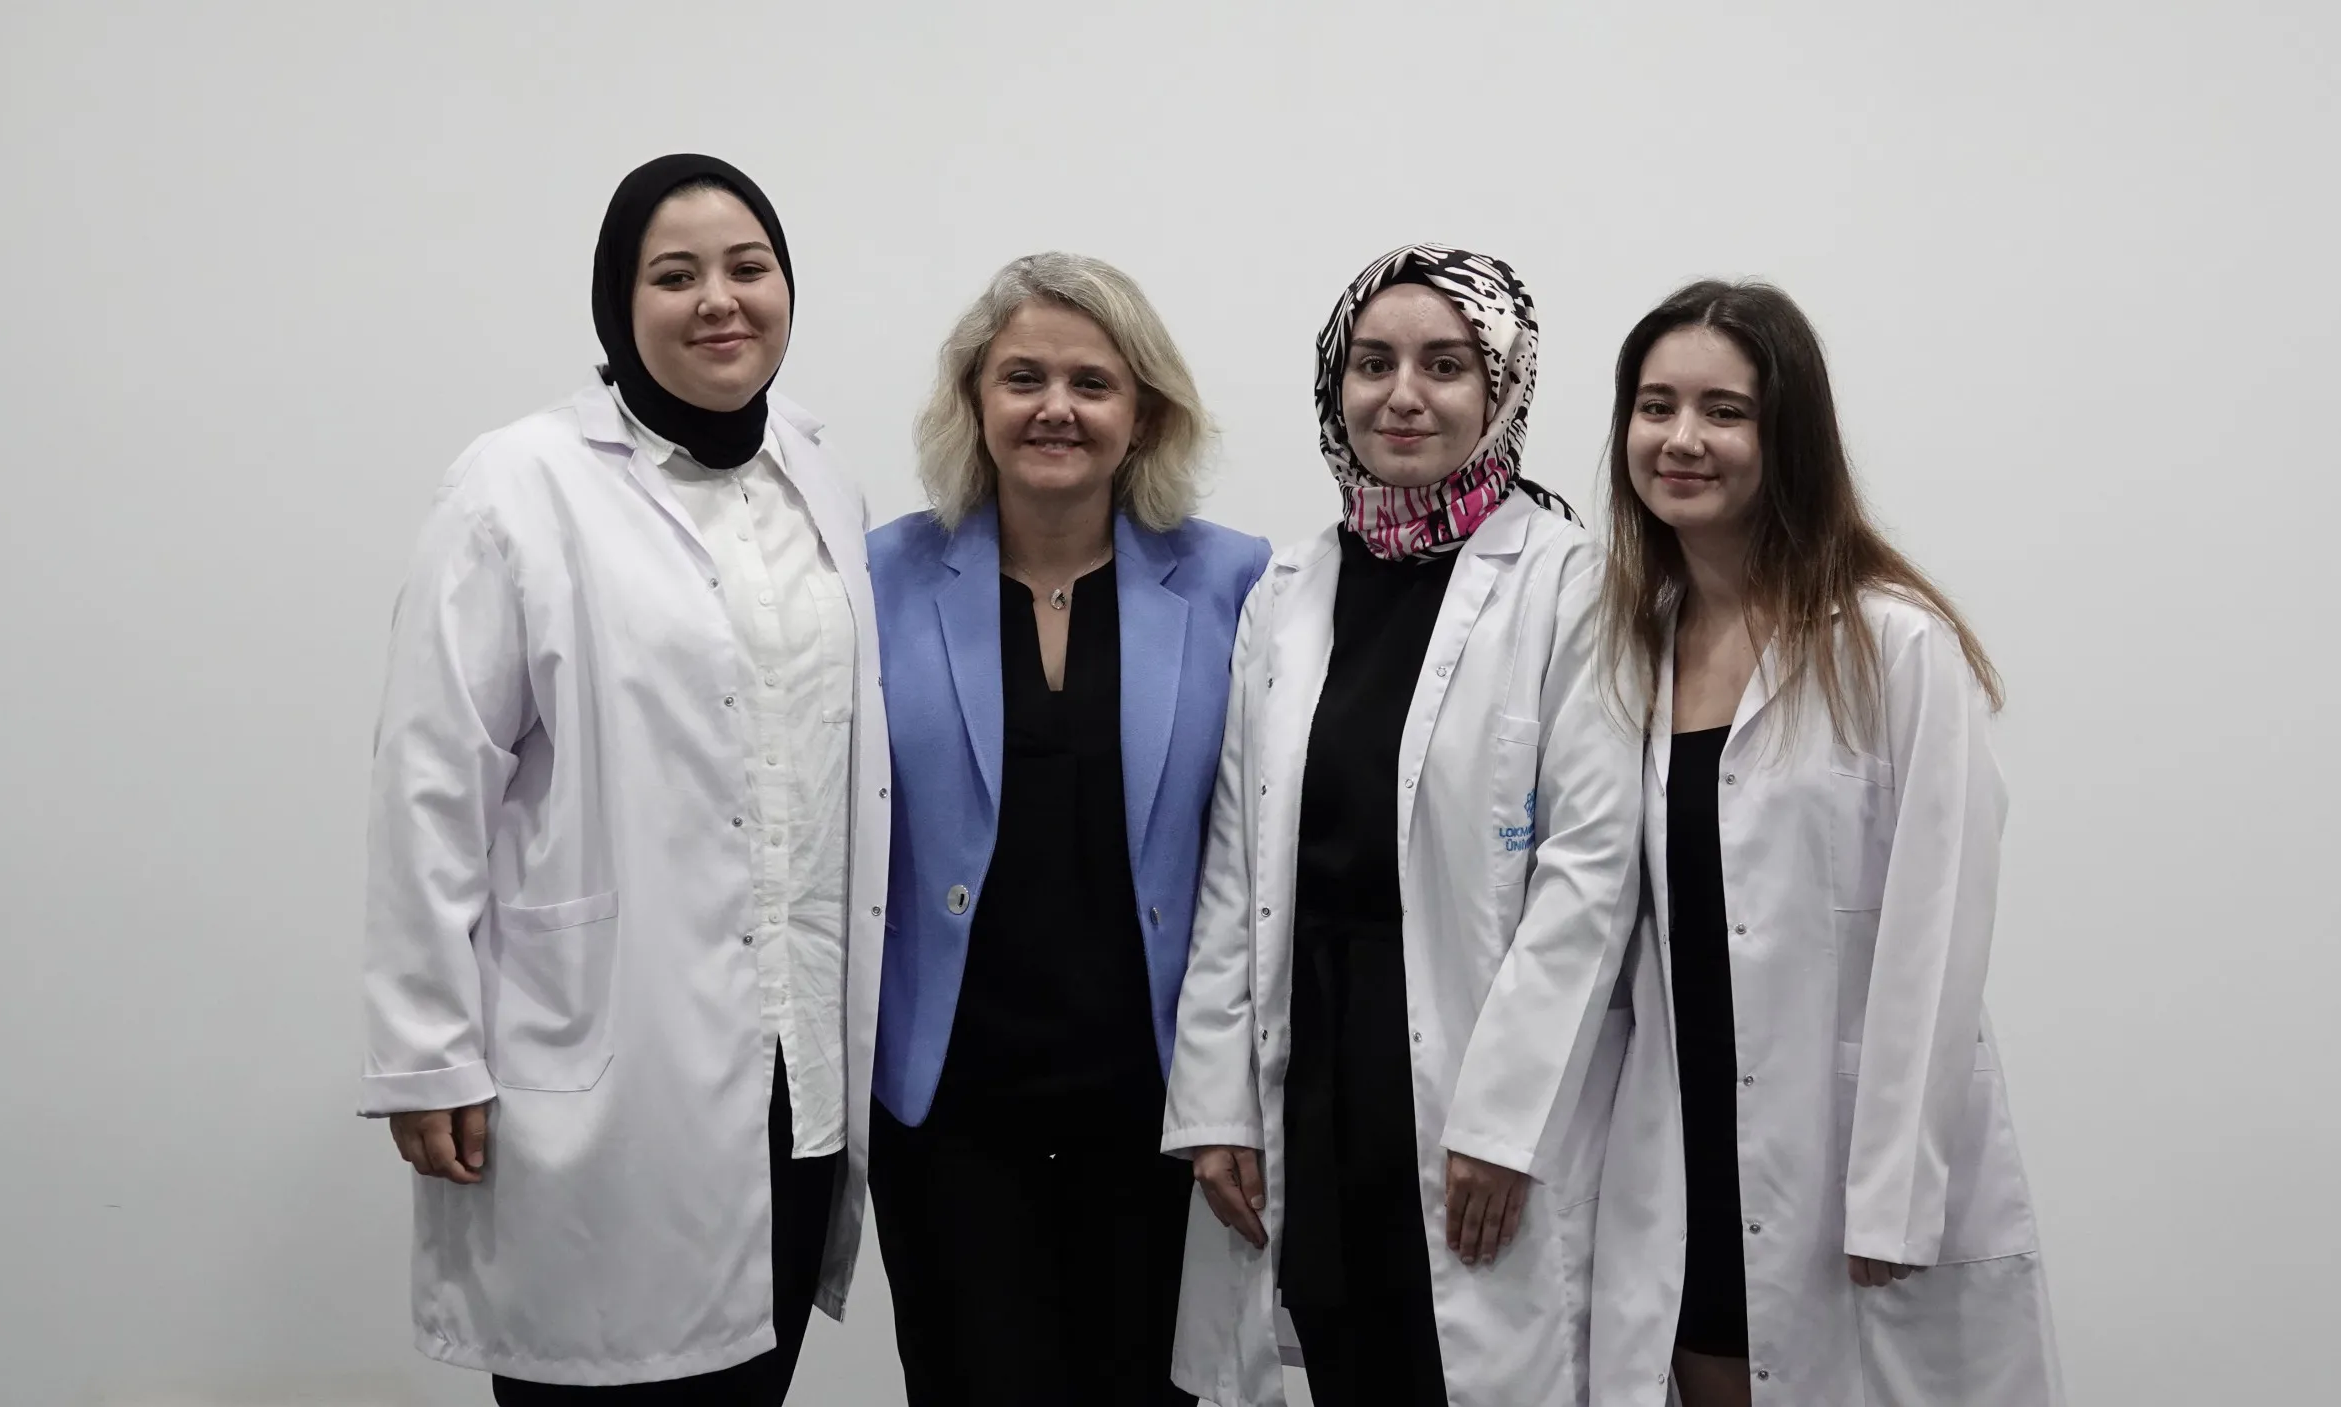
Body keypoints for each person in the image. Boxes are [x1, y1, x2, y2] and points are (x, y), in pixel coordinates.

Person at [358, 153, 890, 1404]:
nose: (720, 300)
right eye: (675, 275)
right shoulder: (517, 483)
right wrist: (427, 1050)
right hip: (601, 1050)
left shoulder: (820, 483)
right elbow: (432, 778)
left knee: (754, 1372)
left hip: (796, 1064)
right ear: (617, 301)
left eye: (748, 268)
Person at [1162, 244, 1645, 1407]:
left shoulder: (1569, 584)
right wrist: (1218, 1102)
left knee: (1463, 1366)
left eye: (1444, 365)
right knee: (1341, 1352)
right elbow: (1235, 862)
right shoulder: (1290, 590)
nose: (1403, 396)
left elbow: (1590, 873)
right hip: (1315, 1058)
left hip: (1476, 1061)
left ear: (1501, 388)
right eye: (1372, 364)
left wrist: (1504, 1124)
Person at [1581, 280, 2064, 1406]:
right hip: (1679, 1151)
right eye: (1655, 406)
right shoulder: (1628, 647)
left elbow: (1937, 932)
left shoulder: (1893, 644)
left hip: (1845, 1156)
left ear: (1786, 436)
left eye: (1724, 411)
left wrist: (1896, 1192)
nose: (1681, 439)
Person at [867, 251, 1268, 1405]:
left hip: (1155, 1111)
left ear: (1144, 413)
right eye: (1023, 378)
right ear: (974, 401)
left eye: (1092, 383)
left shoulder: (1239, 583)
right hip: (948, 1110)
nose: (1056, 408)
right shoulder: (877, 578)